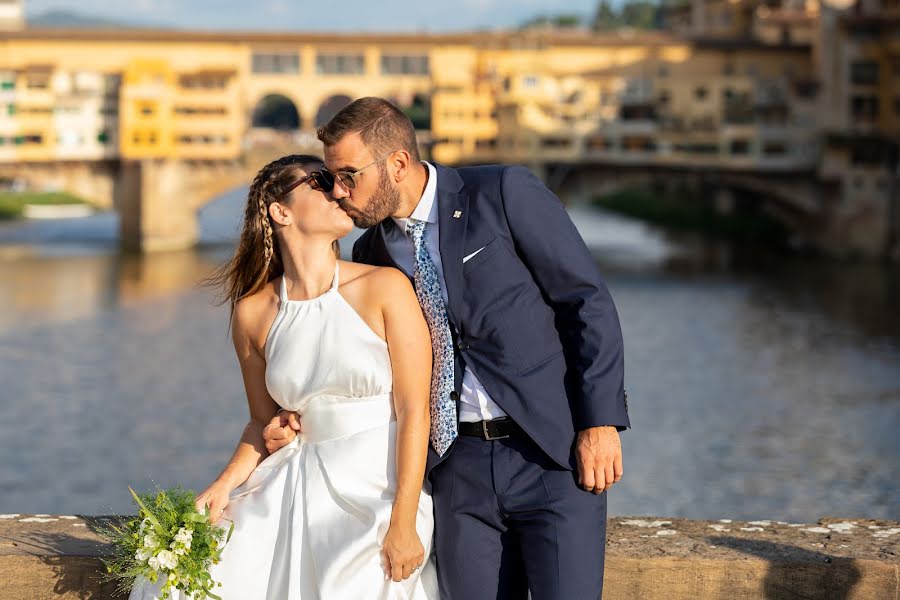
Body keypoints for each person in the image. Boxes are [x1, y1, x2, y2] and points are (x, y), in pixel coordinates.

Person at [264, 98, 630, 599]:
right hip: (458, 472)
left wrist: (600, 421)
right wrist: (299, 416)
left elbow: (585, 301)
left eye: (349, 175)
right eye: (332, 180)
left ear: (396, 163)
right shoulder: (372, 254)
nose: (341, 192)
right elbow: (372, 365)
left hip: (552, 454)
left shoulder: (502, 193)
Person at [129, 154, 439, 599]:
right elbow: (262, 424)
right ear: (281, 211)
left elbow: (415, 411)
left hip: (379, 492)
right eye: (321, 181)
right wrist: (221, 485)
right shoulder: (252, 313)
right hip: (289, 487)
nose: (340, 190)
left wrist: (404, 520)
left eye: (339, 180)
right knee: (204, 579)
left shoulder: (386, 287)